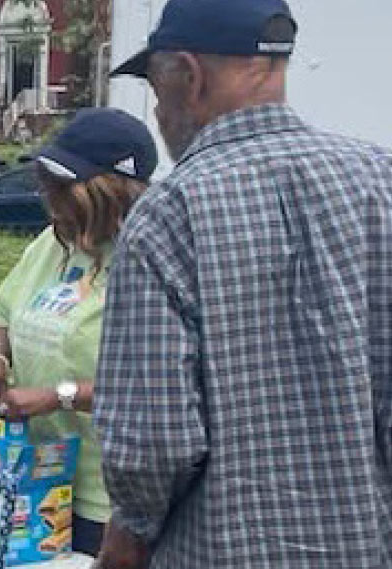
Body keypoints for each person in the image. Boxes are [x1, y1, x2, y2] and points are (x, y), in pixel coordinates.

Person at [97, 0, 392, 566]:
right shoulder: (380, 183)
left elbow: (153, 446)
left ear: (190, 75)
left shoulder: (171, 212)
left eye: (157, 94)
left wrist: (126, 540)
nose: (158, 115)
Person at [0, 108, 159, 557]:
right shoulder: (51, 243)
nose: (45, 194)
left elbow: (156, 388)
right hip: (36, 480)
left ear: (105, 191)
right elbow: (3, 313)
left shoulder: (148, 259)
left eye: (59, 184)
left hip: (108, 499)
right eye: (44, 179)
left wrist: (57, 395)